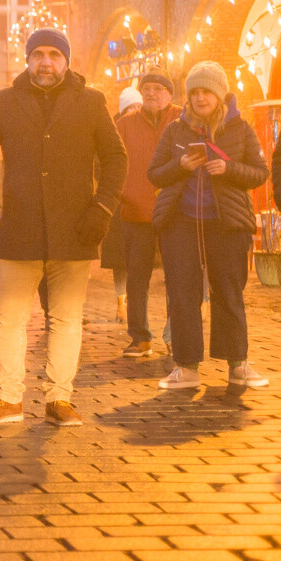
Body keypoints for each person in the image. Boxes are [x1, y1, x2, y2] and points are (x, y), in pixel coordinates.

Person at [0, 28, 127, 426]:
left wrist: (102, 209)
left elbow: (116, 158)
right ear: (27, 59)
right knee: (10, 319)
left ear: (66, 60)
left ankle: (59, 399)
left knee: (67, 318)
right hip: (19, 230)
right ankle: (9, 399)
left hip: (75, 231)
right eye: (38, 54)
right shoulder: (5, 101)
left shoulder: (91, 102)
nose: (46, 62)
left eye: (54, 54)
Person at [149, 61, 268, 390]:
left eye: (207, 92)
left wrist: (228, 169)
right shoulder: (176, 129)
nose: (200, 98)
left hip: (227, 224)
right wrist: (181, 165)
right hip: (181, 223)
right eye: (194, 92)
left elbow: (260, 172)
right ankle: (186, 367)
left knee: (229, 292)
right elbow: (155, 173)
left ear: (220, 94)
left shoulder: (240, 128)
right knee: (182, 294)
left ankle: (238, 364)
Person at [115, 67, 180, 358]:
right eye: (147, 88)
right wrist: (120, 196)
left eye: (159, 88)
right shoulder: (126, 124)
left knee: (178, 277)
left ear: (169, 94)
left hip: (176, 211)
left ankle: (175, 335)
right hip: (136, 209)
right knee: (137, 278)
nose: (152, 93)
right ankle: (140, 337)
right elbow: (113, 162)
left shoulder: (183, 118)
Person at [101, 86, 142, 325]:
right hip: (119, 202)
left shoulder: (145, 128)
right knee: (120, 259)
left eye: (138, 106)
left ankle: (133, 303)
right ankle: (121, 302)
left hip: (139, 200)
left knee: (137, 258)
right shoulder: (112, 130)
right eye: (130, 107)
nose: (135, 111)